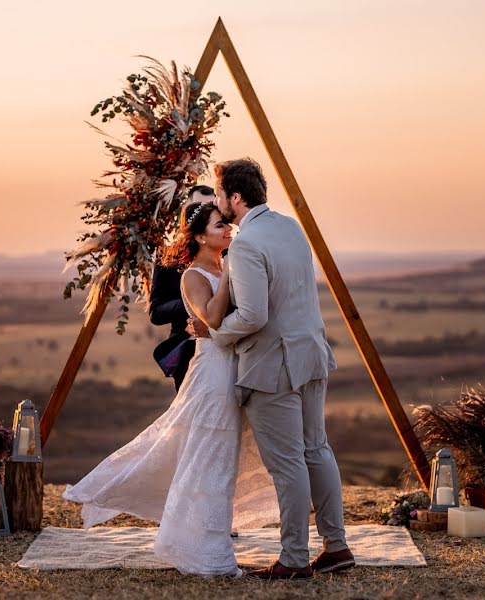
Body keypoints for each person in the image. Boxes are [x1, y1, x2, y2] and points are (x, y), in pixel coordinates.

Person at [63, 201, 278, 577]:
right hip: (212, 373)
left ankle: (198, 538)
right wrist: (227, 277)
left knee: (223, 458)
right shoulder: (193, 276)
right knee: (207, 453)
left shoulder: (226, 265)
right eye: (219, 226)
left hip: (238, 368)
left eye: (228, 224)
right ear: (199, 238)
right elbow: (209, 318)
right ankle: (207, 552)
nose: (229, 230)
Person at [189, 158, 353, 579]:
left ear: (236, 198)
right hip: (312, 354)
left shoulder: (245, 243)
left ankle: (295, 559)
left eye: (220, 193)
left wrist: (216, 335)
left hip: (272, 365)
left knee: (287, 463)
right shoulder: (290, 227)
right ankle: (337, 547)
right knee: (317, 449)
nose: (217, 200)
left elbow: (254, 316)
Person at [149, 185, 216, 389]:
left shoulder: (226, 253)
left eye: (210, 207)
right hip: (187, 347)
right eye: (198, 207)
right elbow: (156, 313)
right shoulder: (167, 257)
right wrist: (190, 304)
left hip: (224, 346)